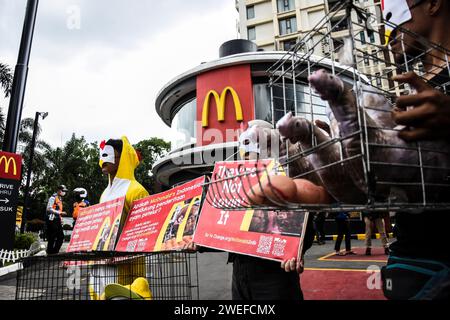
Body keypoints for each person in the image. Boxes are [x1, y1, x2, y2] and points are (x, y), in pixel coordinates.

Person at [380, 0, 450, 299]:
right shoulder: (409, 91)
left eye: (395, 18)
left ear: (433, 4)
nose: (389, 37)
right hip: (408, 263)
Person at [89, 136, 149, 300]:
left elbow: (142, 233)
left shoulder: (136, 191)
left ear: (121, 159)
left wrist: (136, 275)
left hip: (123, 266)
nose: (103, 160)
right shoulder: (104, 193)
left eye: (108, 155)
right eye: (102, 155)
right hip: (100, 263)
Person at [45, 185, 68, 255]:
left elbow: (58, 210)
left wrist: (61, 219)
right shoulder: (53, 198)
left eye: (65, 191)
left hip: (57, 220)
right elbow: (48, 208)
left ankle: (54, 252)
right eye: (63, 191)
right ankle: (50, 253)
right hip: (52, 220)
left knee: (61, 237)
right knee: (52, 237)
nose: (64, 192)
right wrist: (60, 213)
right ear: (59, 190)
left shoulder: (60, 199)